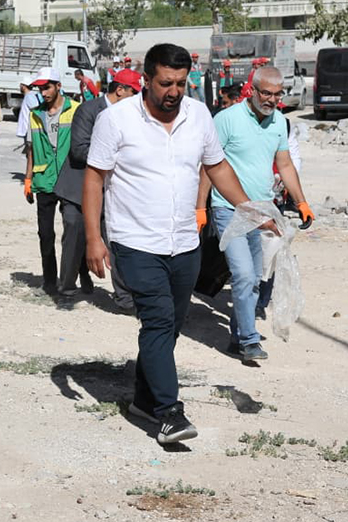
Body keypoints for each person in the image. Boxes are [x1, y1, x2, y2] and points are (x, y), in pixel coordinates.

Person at [84, 43, 271, 445]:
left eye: (181, 83)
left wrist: (251, 210)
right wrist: (93, 238)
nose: (173, 91)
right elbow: (94, 178)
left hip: (184, 242)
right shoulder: (116, 120)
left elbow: (217, 166)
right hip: (134, 242)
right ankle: (170, 412)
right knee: (156, 320)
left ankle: (143, 399)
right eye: (165, 83)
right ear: (146, 79)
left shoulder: (199, 114)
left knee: (168, 327)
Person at [196, 66, 313, 363]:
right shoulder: (226, 119)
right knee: (244, 274)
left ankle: (239, 335)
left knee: (258, 278)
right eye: (266, 93)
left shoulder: (278, 123)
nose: (272, 100)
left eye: (277, 94)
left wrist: (301, 202)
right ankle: (249, 340)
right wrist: (200, 207)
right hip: (228, 209)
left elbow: (285, 165)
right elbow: (208, 167)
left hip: (263, 210)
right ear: (253, 90)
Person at [57, 70, 141, 310]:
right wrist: (117, 156)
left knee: (116, 241)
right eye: (134, 93)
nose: (137, 99)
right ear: (120, 90)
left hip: (111, 190)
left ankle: (125, 298)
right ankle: (66, 291)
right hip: (77, 188)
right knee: (74, 236)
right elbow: (78, 150)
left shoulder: (131, 115)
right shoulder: (89, 110)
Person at [21, 67, 82, 296]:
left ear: (58, 86)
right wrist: (28, 179)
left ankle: (74, 277)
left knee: (73, 230)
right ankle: (49, 280)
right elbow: (30, 150)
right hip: (44, 179)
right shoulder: (35, 114)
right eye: (39, 88)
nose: (43, 92)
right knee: (45, 234)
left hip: (69, 179)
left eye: (47, 87)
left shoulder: (76, 110)